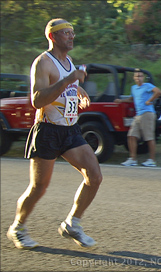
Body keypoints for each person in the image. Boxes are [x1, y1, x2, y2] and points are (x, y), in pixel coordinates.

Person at [7, 18, 103, 249]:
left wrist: (77, 89)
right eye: (66, 33)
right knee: (39, 187)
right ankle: (17, 227)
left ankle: (72, 223)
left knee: (95, 176)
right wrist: (70, 80)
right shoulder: (43, 62)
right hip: (48, 131)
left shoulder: (68, 61)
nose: (71, 36)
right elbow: (37, 99)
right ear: (53, 36)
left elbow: (64, 83)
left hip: (70, 130)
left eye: (72, 32)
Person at [115, 69, 161, 167]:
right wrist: (121, 101)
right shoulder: (134, 88)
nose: (139, 78)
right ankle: (132, 159)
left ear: (143, 77)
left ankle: (152, 160)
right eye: (137, 76)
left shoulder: (147, 86)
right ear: (134, 78)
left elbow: (158, 92)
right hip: (138, 115)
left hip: (147, 114)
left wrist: (150, 100)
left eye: (140, 76)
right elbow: (131, 99)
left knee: (149, 138)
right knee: (131, 136)